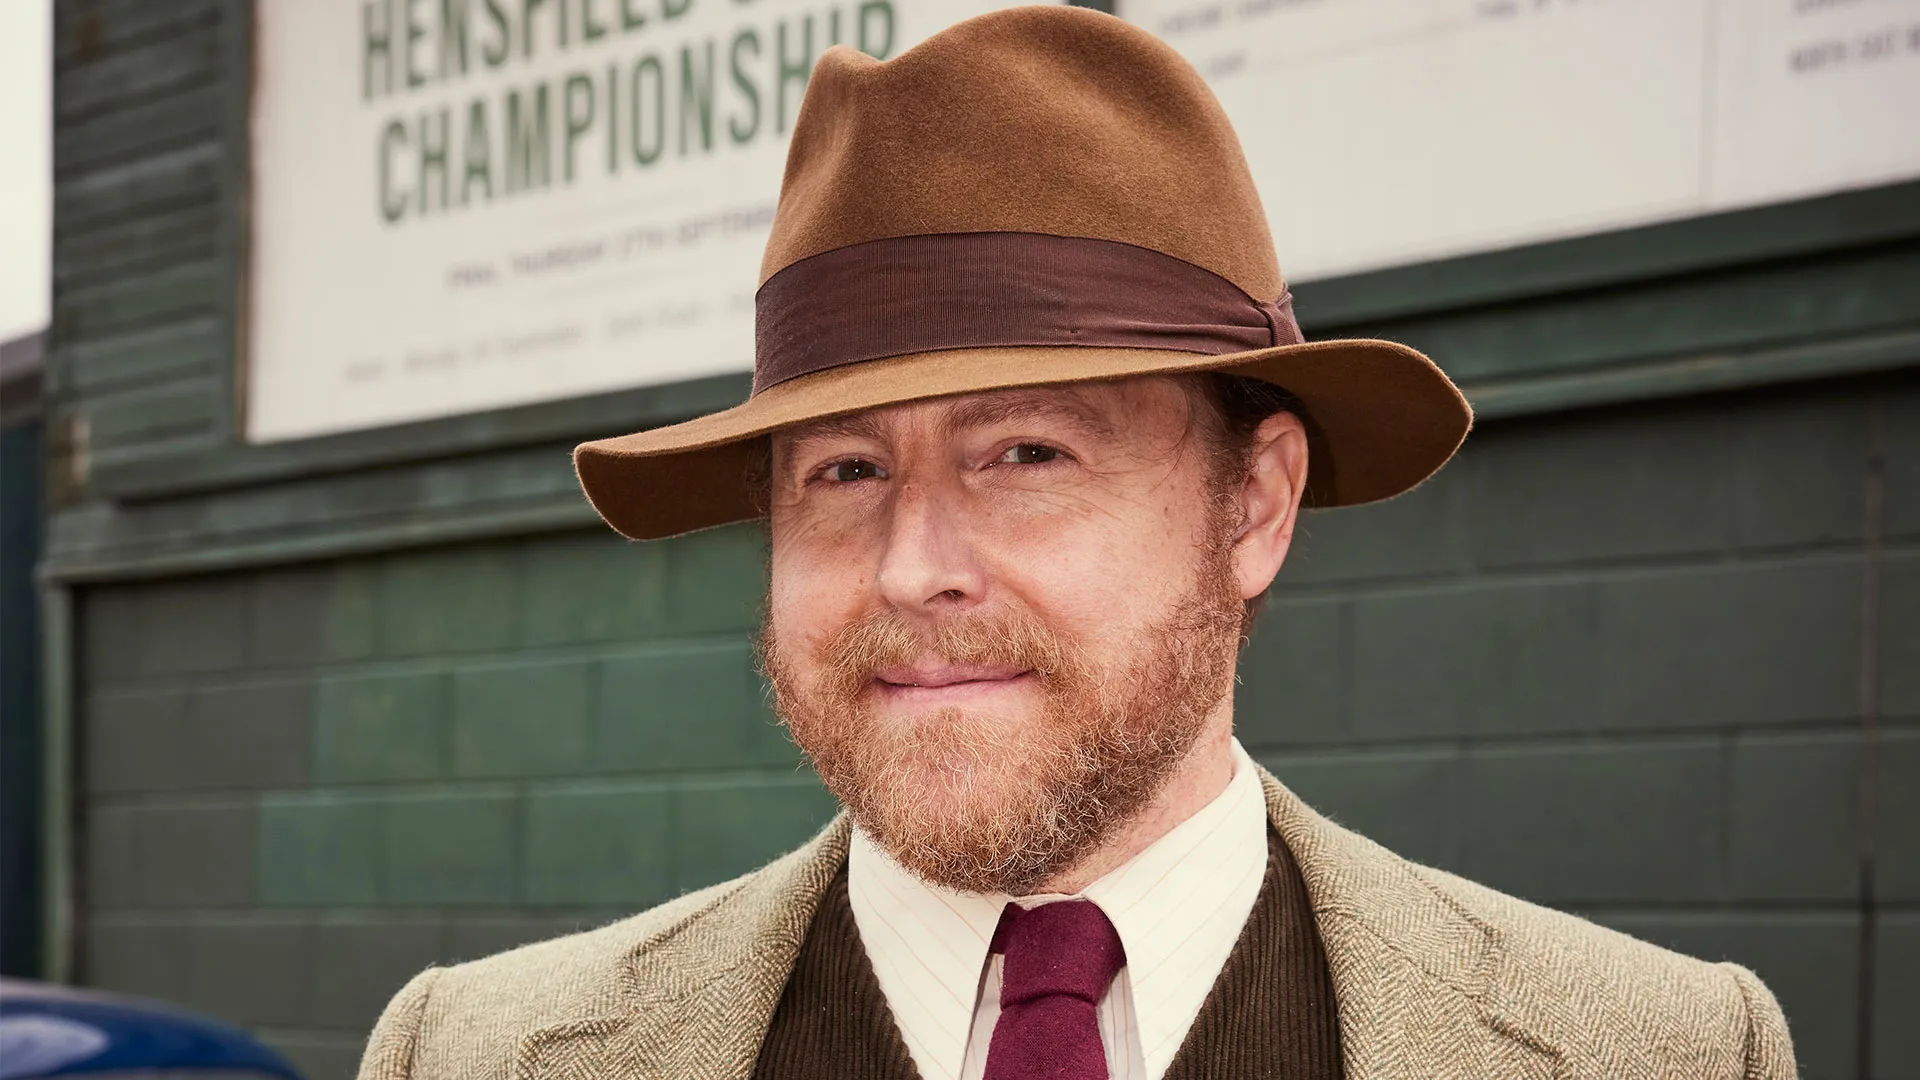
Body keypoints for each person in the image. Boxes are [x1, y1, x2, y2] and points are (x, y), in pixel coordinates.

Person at [357, 7, 1795, 1079]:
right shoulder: (474, 1053)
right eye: (844, 470)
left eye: (1026, 454)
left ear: (1256, 504)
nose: (913, 562)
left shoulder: (1664, 1052)